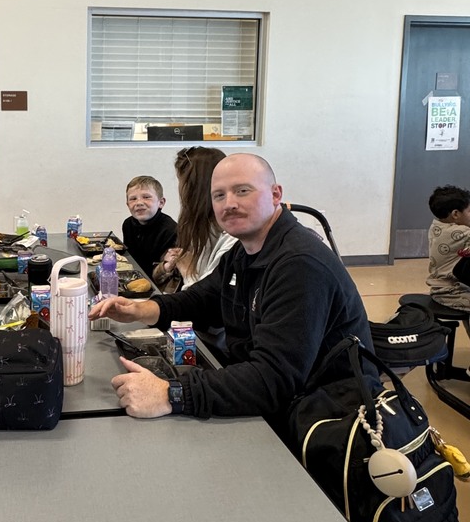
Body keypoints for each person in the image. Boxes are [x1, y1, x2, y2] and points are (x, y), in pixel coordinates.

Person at [91, 153, 372, 425]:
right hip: (276, 400)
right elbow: (205, 299)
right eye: (219, 195)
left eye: (242, 191)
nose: (230, 204)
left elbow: (273, 379)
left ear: (276, 194)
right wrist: (143, 309)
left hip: (320, 418)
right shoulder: (245, 251)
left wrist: (171, 393)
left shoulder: (299, 264)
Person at [153, 147, 236, 291]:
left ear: (194, 188)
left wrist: (187, 271)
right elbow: (158, 277)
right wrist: (169, 265)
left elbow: (207, 302)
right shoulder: (200, 227)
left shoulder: (231, 239)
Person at [121, 175, 178, 278]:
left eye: (146, 197)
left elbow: (167, 274)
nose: (139, 203)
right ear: (128, 205)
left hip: (158, 284)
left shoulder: (171, 230)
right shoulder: (127, 224)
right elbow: (130, 260)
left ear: (161, 203)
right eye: (133, 199)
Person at [427, 185, 470, 310]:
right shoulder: (461, 232)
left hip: (439, 288)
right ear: (456, 214)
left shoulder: (437, 226)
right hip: (453, 292)